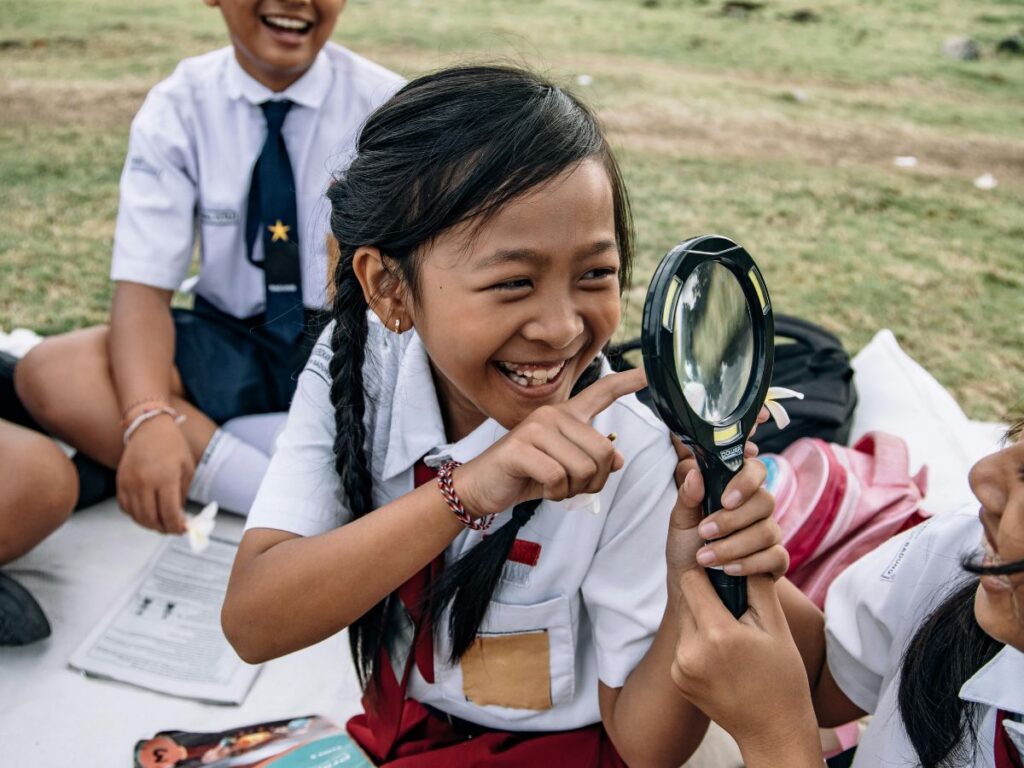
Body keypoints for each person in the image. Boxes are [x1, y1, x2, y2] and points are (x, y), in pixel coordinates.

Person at [221, 65, 791, 767]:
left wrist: (688, 582)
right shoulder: (358, 365)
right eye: (513, 282)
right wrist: (472, 489)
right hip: (404, 725)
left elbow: (646, 747)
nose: (559, 328)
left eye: (595, 275)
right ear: (387, 286)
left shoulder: (631, 452)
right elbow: (254, 620)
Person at [11, 0, 403, 533]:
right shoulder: (180, 104)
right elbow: (143, 288)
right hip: (231, 336)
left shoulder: (387, 105)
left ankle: (221, 458)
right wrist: (148, 418)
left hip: (347, 337)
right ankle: (287, 493)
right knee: (54, 371)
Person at [670, 417, 1024, 768]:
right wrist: (731, 557)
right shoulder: (958, 554)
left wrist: (777, 739)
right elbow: (829, 681)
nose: (983, 477)